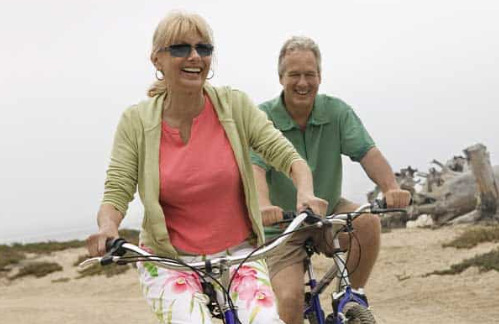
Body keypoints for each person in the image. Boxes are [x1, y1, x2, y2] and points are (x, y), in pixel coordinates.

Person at [85, 14, 326, 324]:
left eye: (204, 48)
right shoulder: (136, 121)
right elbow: (117, 191)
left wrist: (305, 192)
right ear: (157, 58)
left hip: (240, 253)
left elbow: (289, 158)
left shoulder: (233, 105)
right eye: (180, 48)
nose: (194, 56)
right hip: (169, 260)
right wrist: (108, 228)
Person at [250, 36, 412, 324]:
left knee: (367, 222)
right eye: (294, 75)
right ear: (280, 78)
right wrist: (263, 206)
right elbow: (255, 169)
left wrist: (391, 187)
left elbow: (367, 153)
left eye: (309, 75)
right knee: (289, 301)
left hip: (327, 212)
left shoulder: (336, 111)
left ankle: (349, 298)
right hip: (281, 226)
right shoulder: (263, 117)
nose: (303, 83)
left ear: (320, 77)